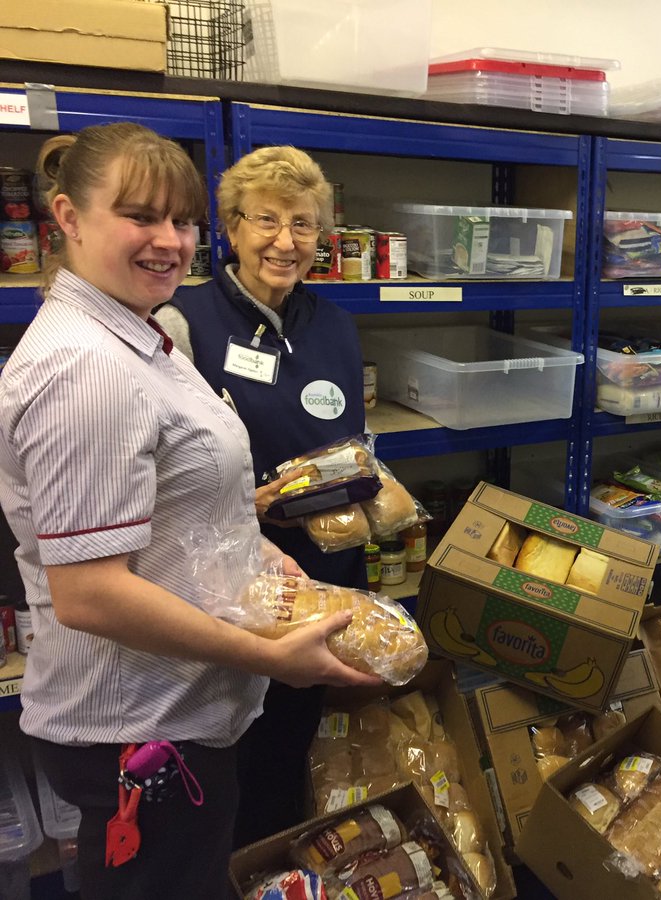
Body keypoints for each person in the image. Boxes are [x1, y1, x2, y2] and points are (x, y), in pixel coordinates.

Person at [0, 123, 378, 900]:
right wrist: (269, 658)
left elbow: (176, 500)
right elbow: (90, 591)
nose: (168, 241)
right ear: (68, 217)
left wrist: (254, 547)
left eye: (180, 221)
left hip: (177, 711)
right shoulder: (86, 367)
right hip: (141, 724)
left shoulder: (132, 332)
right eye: (141, 216)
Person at [156, 145, 368, 846]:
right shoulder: (183, 321)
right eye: (266, 221)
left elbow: (351, 443)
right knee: (225, 769)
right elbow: (162, 481)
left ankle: (274, 874)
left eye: (303, 224)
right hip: (232, 593)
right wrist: (239, 512)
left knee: (287, 751)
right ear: (232, 229)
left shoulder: (334, 325)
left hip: (325, 578)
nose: (286, 241)